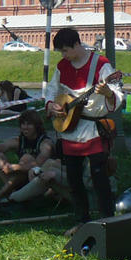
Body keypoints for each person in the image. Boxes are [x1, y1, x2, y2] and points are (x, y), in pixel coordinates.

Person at [43, 27, 123, 231]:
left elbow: (117, 92)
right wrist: (51, 104)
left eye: (66, 50)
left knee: (99, 175)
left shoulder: (101, 64)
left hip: (93, 129)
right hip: (70, 129)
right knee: (74, 177)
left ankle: (107, 219)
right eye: (61, 52)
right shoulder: (63, 66)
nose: (64, 55)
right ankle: (82, 219)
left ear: (77, 45)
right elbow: (52, 88)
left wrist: (106, 92)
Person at [0, 110, 56, 203]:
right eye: (23, 124)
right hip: (21, 178)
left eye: (29, 124)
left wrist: (15, 167)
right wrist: (3, 165)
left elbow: (38, 164)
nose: (25, 127)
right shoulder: (19, 141)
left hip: (40, 179)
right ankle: (11, 191)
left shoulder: (45, 143)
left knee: (27, 159)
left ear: (37, 126)